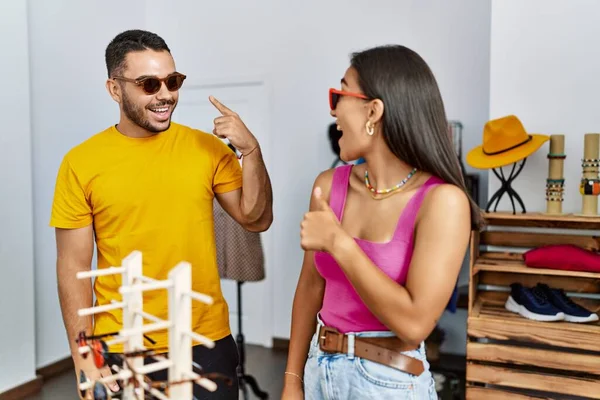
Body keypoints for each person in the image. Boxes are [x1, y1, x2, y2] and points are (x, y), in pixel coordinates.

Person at [50, 29, 272, 399]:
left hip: (205, 339)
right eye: (149, 84)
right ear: (114, 89)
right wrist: (83, 354)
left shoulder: (206, 149)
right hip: (123, 344)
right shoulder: (80, 163)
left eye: (173, 80)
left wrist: (252, 151)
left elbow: (257, 218)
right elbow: (72, 267)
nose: (165, 94)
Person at [282, 45, 483, 399]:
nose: (333, 111)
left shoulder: (443, 202)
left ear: (373, 111)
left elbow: (414, 324)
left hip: (388, 382)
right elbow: (310, 290)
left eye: (339, 95)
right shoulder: (328, 186)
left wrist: (339, 244)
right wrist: (292, 380)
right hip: (319, 370)